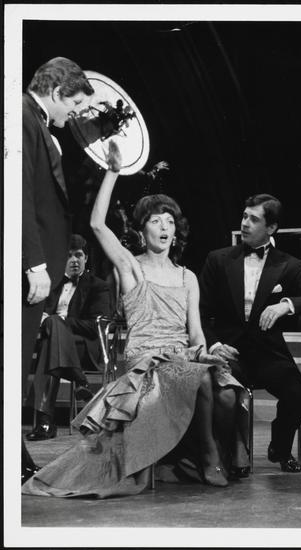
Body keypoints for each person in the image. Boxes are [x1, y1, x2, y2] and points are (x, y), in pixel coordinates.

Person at [22, 143, 248, 497]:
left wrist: (207, 351)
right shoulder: (131, 268)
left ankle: (197, 454)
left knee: (229, 395)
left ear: (176, 231)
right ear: (142, 231)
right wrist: (113, 171)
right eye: (155, 221)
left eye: (169, 221)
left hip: (184, 356)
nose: (164, 227)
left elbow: (195, 333)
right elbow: (97, 224)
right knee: (202, 381)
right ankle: (208, 455)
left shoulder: (187, 276)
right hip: (146, 359)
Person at [199, 194, 301, 472]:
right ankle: (235, 456)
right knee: (228, 394)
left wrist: (286, 304)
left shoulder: (289, 265)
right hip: (229, 351)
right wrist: (215, 345)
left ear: (271, 228)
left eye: (254, 219)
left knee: (298, 394)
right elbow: (200, 312)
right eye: (244, 216)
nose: (245, 223)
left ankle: (279, 448)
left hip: (267, 353)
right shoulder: (218, 260)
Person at [21, 57, 95, 482]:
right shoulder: (24, 118)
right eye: (75, 104)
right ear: (55, 92)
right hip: (30, 266)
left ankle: (16, 453)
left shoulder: (38, 123)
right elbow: (21, 197)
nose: (76, 114)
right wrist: (34, 264)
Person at [26, 234, 112, 441]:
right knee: (50, 340)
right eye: (69, 255)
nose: (74, 260)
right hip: (52, 347)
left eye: (79, 255)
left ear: (86, 258)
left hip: (83, 347)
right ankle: (80, 380)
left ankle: (45, 422)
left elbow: (95, 327)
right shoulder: (51, 285)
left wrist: (60, 321)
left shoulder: (98, 286)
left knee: (53, 326)